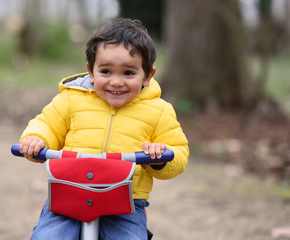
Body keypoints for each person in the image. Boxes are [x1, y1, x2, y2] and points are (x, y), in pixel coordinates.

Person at [19, 18, 189, 240]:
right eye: (106, 71)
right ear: (91, 71)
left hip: (125, 203)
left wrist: (160, 157)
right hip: (68, 194)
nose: (116, 82)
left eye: (128, 73)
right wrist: (35, 139)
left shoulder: (158, 111)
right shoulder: (71, 99)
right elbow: (46, 123)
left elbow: (179, 151)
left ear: (147, 75)